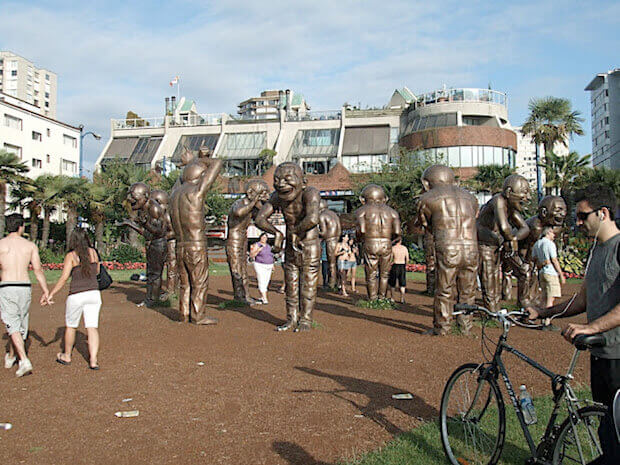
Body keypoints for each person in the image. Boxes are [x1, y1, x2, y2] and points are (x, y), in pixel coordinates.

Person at [527, 183, 619, 463]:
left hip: (619, 356)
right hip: (600, 355)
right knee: (606, 431)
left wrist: (591, 327)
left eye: (582, 216)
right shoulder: (595, 252)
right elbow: (581, 301)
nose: (577, 223)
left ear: (602, 213)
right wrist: (543, 313)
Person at [0, 214, 50, 377]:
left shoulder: (1, 244)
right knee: (20, 324)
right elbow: (38, 270)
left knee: (13, 324)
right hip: (24, 287)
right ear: (21, 227)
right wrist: (45, 290)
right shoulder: (29, 246)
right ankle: (12, 355)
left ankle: (23, 359)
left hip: (8, 286)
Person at [45, 229, 102, 370]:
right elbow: (98, 271)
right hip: (93, 293)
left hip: (77, 294)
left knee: (71, 326)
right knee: (92, 327)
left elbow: (64, 278)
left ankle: (67, 355)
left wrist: (51, 293)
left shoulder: (71, 256)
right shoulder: (93, 253)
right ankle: (93, 360)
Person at [532, 226, 565, 309]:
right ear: (548, 232)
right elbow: (554, 259)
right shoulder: (550, 244)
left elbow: (534, 258)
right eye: (553, 233)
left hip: (542, 272)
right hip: (551, 272)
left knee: (544, 297)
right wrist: (561, 274)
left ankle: (542, 317)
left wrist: (541, 263)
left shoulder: (537, 244)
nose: (554, 235)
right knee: (550, 299)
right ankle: (547, 320)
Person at [250, 233, 274, 304]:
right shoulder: (257, 245)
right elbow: (252, 255)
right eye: (263, 237)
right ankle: (265, 298)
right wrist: (258, 250)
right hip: (260, 265)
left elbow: (271, 255)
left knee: (266, 281)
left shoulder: (268, 246)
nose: (264, 239)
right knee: (261, 280)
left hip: (269, 265)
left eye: (265, 237)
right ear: (260, 238)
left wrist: (272, 265)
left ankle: (262, 296)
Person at [388, 238, 409, 303]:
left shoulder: (393, 248)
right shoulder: (404, 248)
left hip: (395, 265)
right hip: (402, 265)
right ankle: (402, 298)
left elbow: (390, 258)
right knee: (402, 283)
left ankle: (392, 298)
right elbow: (407, 259)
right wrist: (406, 264)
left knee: (392, 283)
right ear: (400, 241)